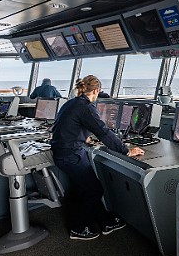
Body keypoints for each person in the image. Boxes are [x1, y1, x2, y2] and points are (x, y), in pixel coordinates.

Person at [50, 75, 144, 240]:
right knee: (94, 189)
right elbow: (103, 132)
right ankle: (79, 228)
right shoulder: (86, 107)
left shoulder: (72, 103)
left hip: (64, 152)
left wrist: (83, 135)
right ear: (96, 91)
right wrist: (126, 151)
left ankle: (106, 221)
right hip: (71, 155)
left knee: (88, 187)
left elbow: (68, 125)